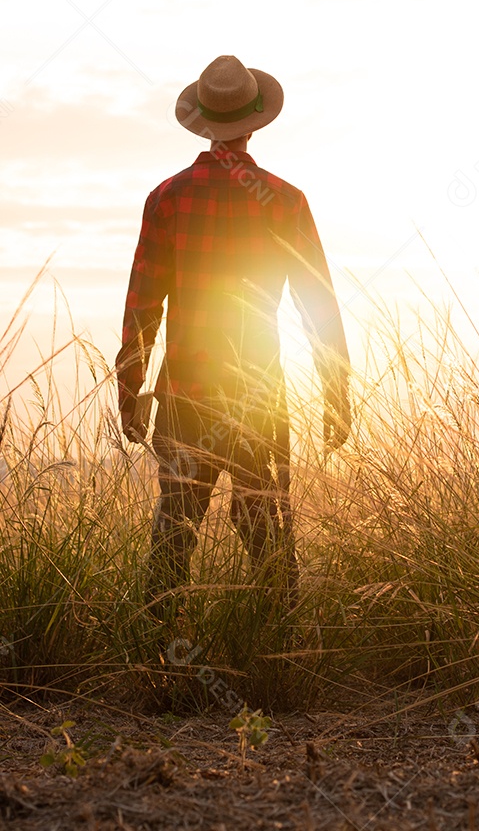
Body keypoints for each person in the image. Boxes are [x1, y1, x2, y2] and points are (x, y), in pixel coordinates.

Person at [115, 55, 351, 614]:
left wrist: (131, 391)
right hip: (259, 391)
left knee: (173, 537)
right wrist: (336, 397)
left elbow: (142, 303)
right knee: (269, 539)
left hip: (183, 392)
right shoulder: (286, 201)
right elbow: (318, 305)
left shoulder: (167, 198)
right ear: (253, 122)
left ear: (203, 120)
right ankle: (277, 668)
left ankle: (161, 669)